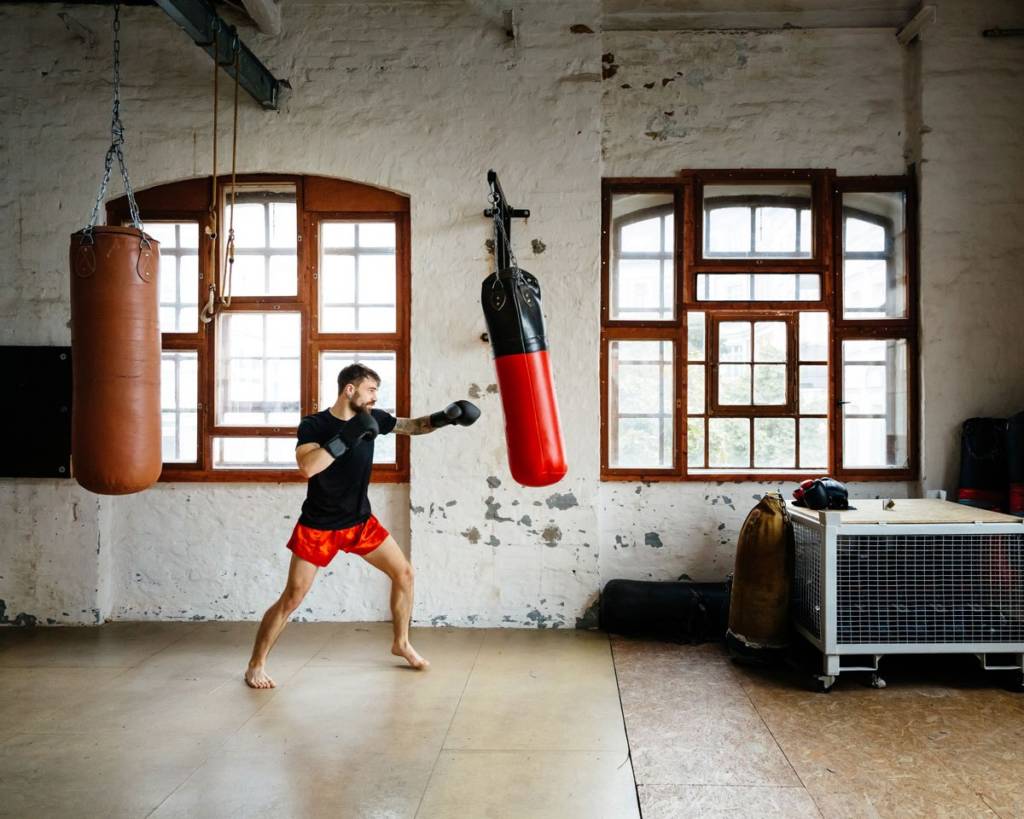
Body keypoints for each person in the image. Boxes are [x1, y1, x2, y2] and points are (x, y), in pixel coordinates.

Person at [245, 363, 480, 689]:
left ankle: (401, 643)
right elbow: (308, 467)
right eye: (370, 390)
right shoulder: (315, 425)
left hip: (359, 522)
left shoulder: (374, 418)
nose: (374, 397)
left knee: (404, 573)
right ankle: (256, 665)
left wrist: (445, 417)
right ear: (349, 389)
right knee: (292, 598)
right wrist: (346, 437)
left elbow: (413, 426)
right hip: (319, 526)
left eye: (376, 392)